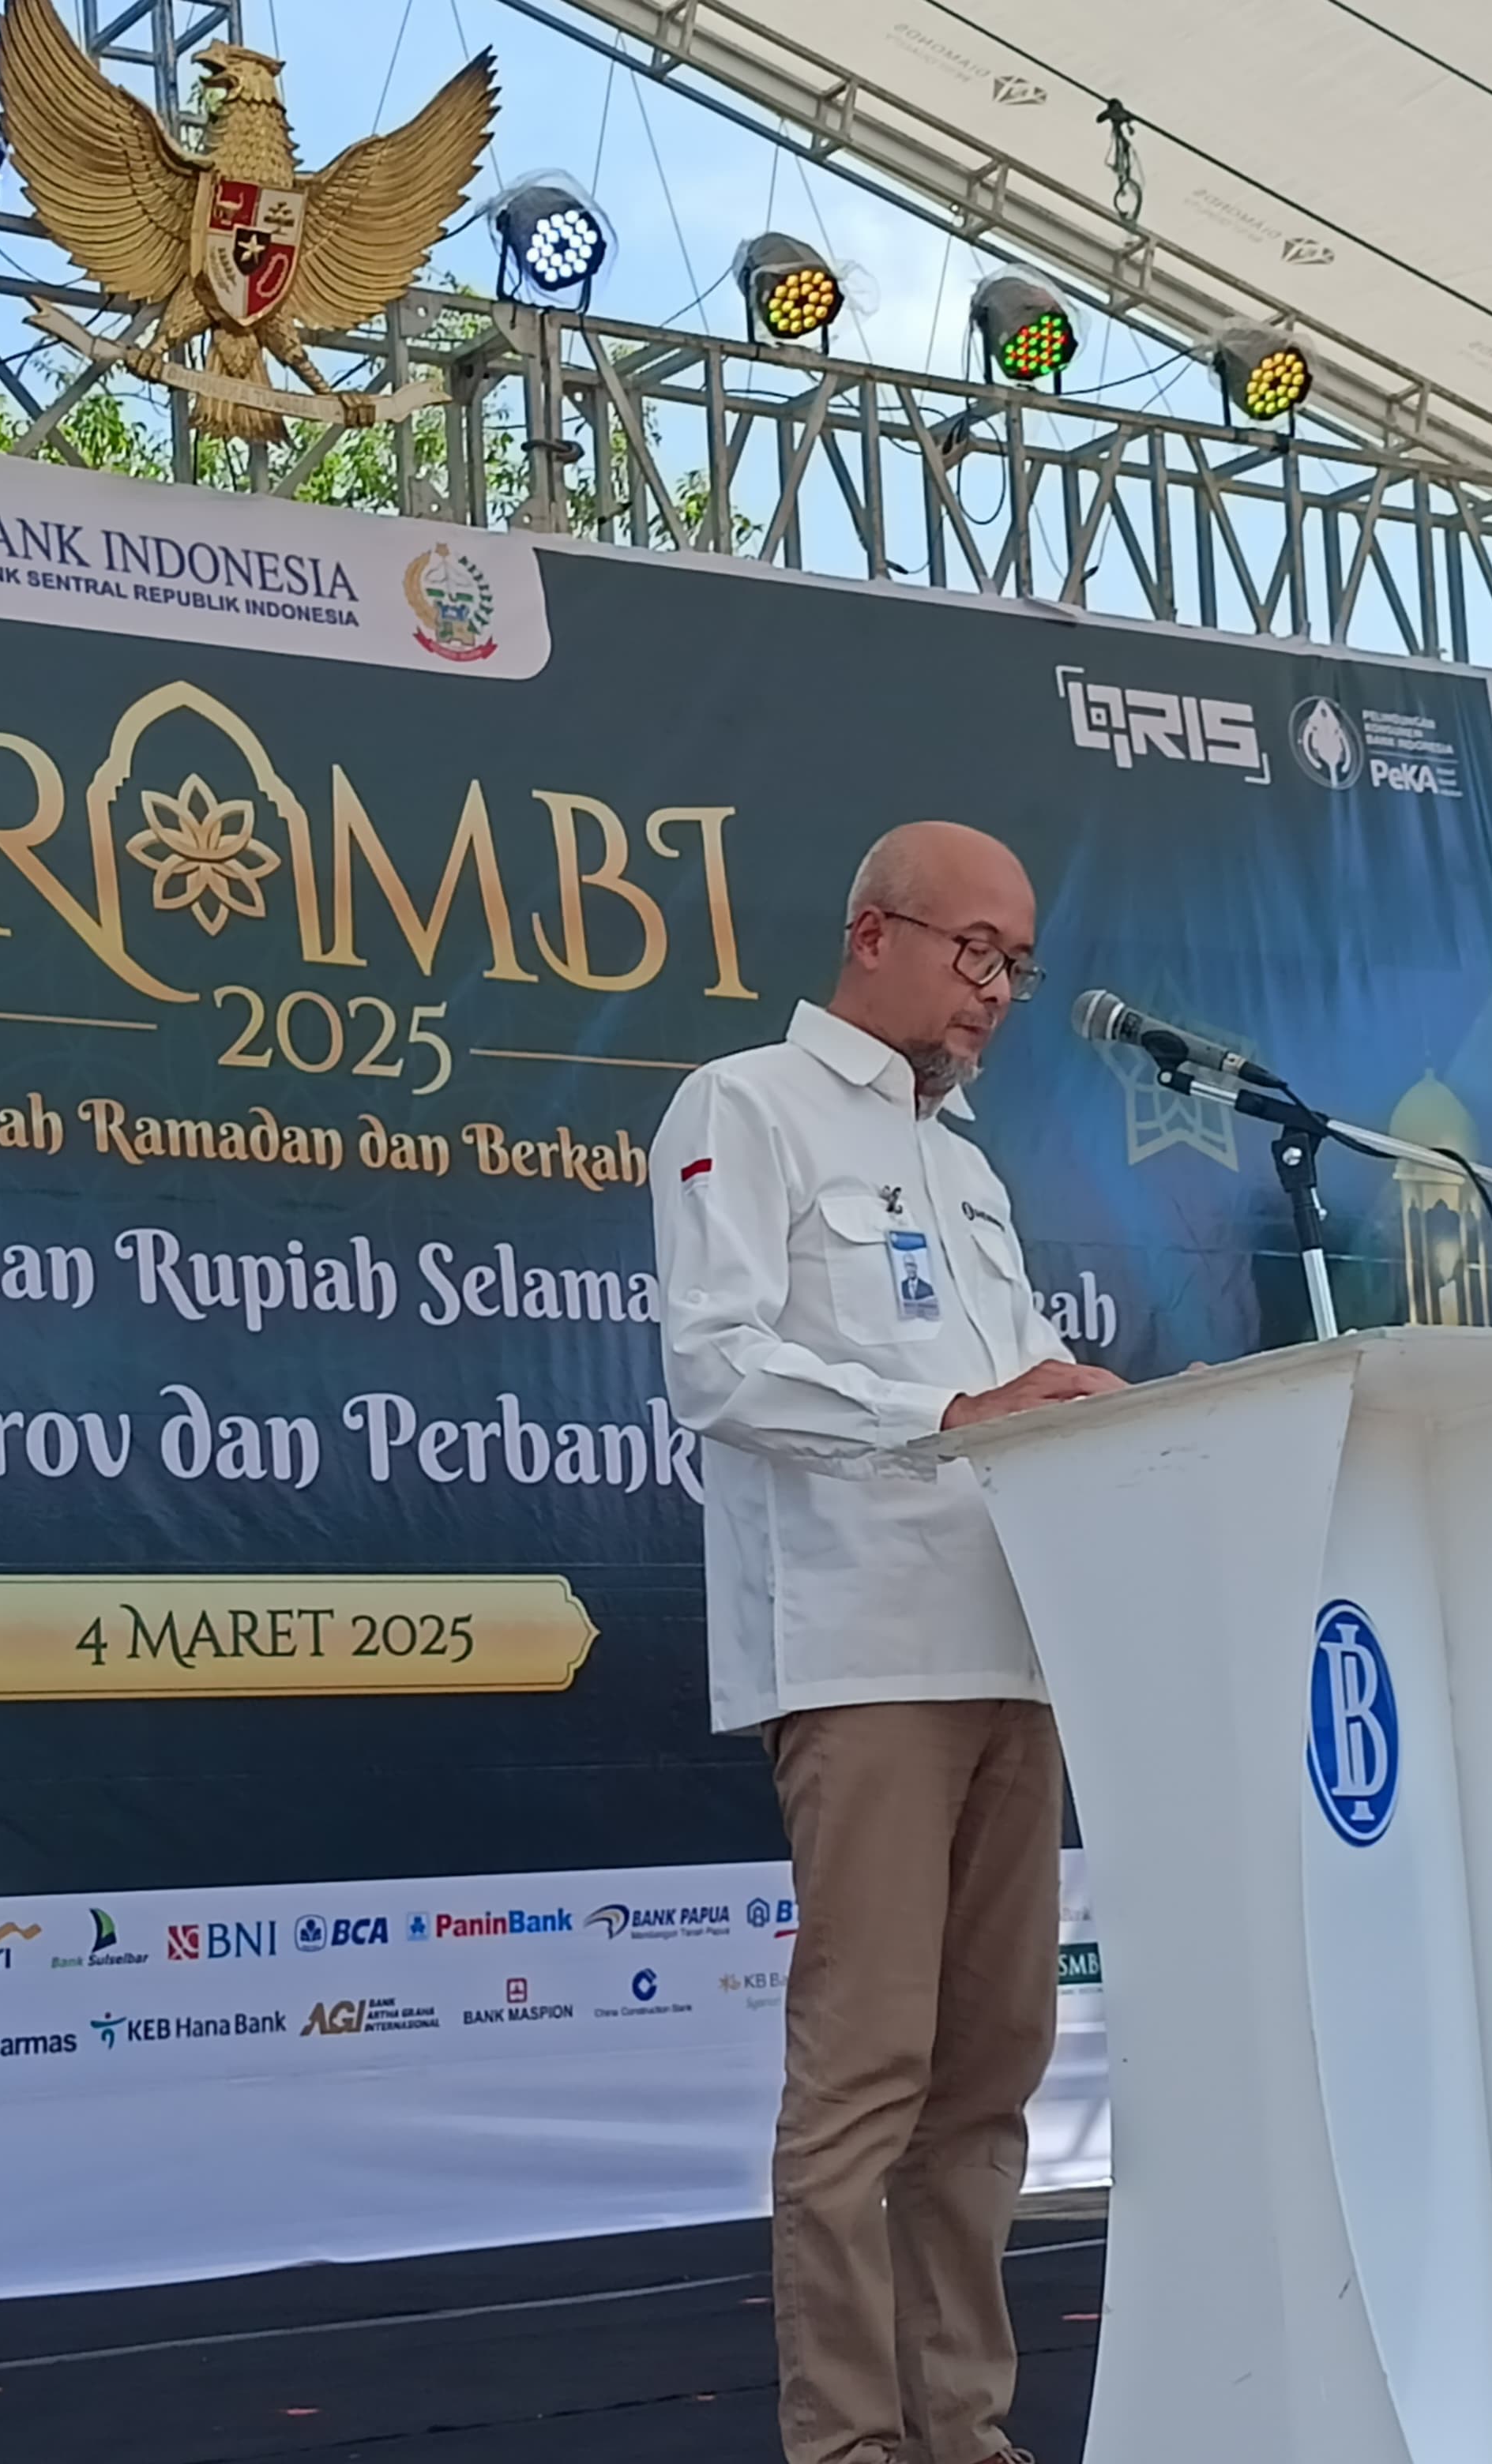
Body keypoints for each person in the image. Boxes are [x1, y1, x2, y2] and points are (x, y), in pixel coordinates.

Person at [650, 818, 1122, 2464]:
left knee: (991, 2070)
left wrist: (1099, 1412)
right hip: (865, 1657)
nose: (993, 989)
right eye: (973, 951)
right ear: (874, 934)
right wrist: (953, 1412)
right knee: (869, 2072)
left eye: (1016, 965)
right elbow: (716, 1367)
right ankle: (849, 2444)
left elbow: (1023, 1389)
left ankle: (963, 2433)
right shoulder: (745, 1106)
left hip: (1016, 1652)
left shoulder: (968, 1168)